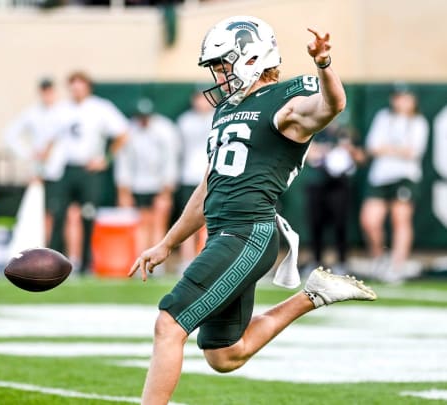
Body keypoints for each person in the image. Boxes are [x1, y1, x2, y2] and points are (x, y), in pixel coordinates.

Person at [128, 16, 377, 404]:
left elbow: (332, 106)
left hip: (248, 232)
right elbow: (209, 188)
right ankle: (312, 296)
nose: (219, 75)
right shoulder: (225, 110)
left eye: (224, 65)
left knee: (168, 324)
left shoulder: (285, 100)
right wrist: (167, 243)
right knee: (225, 354)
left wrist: (324, 64)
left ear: (251, 58)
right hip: (224, 233)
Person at [44, 71, 129, 273]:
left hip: (88, 169)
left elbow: (122, 133)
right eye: (73, 86)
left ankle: (86, 262)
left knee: (88, 215)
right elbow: (49, 140)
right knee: (59, 214)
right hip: (66, 168)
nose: (76, 90)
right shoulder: (61, 110)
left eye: (80, 86)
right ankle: (56, 260)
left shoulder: (100, 108)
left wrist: (105, 159)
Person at [359, 86, 428, 283]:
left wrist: (388, 149)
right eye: (398, 98)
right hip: (380, 177)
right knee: (370, 221)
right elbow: (373, 147)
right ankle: (379, 259)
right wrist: (397, 150)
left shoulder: (418, 122)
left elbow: (414, 152)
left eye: (405, 98)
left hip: (405, 176)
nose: (401, 102)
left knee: (400, 219)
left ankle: (397, 266)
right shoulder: (383, 117)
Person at [115, 98, 179, 257]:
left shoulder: (164, 129)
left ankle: (156, 262)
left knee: (159, 223)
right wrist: (124, 190)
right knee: (141, 225)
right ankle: (141, 258)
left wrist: (166, 190)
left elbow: (170, 160)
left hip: (158, 184)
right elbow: (124, 161)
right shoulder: (129, 130)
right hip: (138, 184)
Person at [3, 77, 64, 244]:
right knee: (41, 212)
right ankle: (41, 248)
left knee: (61, 214)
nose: (47, 95)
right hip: (40, 172)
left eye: (49, 90)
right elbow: (10, 135)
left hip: (61, 172)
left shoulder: (63, 112)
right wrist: (29, 154)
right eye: (44, 91)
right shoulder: (32, 113)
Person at [303, 122, 365, 275]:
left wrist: (349, 152)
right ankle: (316, 261)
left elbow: (361, 157)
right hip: (317, 181)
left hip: (339, 184)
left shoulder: (348, 131)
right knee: (316, 224)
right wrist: (321, 152)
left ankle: (342, 262)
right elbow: (307, 153)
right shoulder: (314, 130)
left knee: (340, 225)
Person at [175, 90, 214, 269]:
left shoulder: (219, 117)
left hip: (212, 175)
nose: (202, 103)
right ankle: (186, 260)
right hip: (189, 177)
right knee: (187, 220)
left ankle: (205, 260)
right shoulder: (184, 121)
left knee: (211, 221)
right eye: (198, 99)